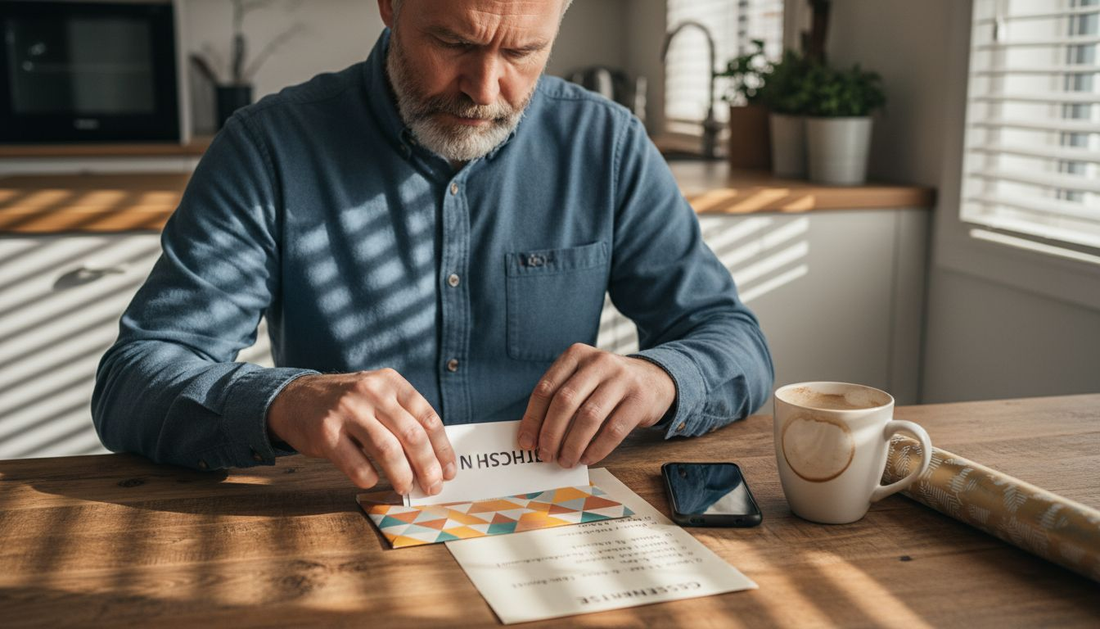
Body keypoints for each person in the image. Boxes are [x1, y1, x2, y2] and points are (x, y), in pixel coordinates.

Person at [92, 0, 774, 498]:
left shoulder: (607, 144)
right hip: (340, 525)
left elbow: (732, 340)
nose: (484, 89)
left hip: (550, 523)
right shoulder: (270, 148)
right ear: (389, 6)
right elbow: (134, 377)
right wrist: (285, 401)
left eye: (520, 54)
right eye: (453, 42)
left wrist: (660, 378)